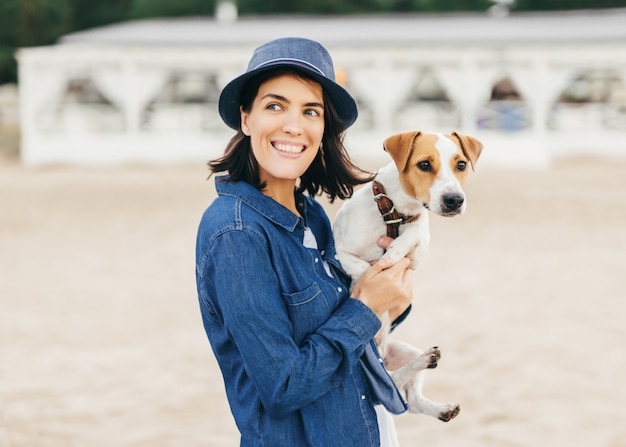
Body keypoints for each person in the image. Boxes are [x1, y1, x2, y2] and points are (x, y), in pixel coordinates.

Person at [195, 37, 415, 447]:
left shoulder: (310, 213)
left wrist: (390, 298)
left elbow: (344, 335)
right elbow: (283, 385)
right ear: (246, 118)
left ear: (323, 127)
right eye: (275, 105)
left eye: (310, 111)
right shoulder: (236, 233)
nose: (293, 125)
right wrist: (366, 306)